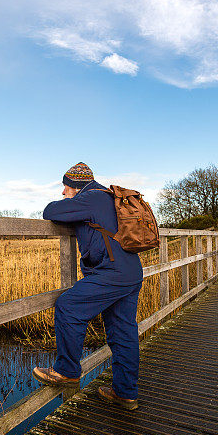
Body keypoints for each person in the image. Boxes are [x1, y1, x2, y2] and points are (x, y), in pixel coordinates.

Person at [32, 162, 143, 410]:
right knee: (123, 332)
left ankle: (66, 370)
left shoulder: (91, 198)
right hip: (130, 272)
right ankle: (125, 392)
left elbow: (50, 211)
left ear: (76, 186)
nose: (63, 192)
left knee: (68, 306)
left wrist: (70, 203)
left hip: (112, 273)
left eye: (65, 187)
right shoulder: (108, 198)